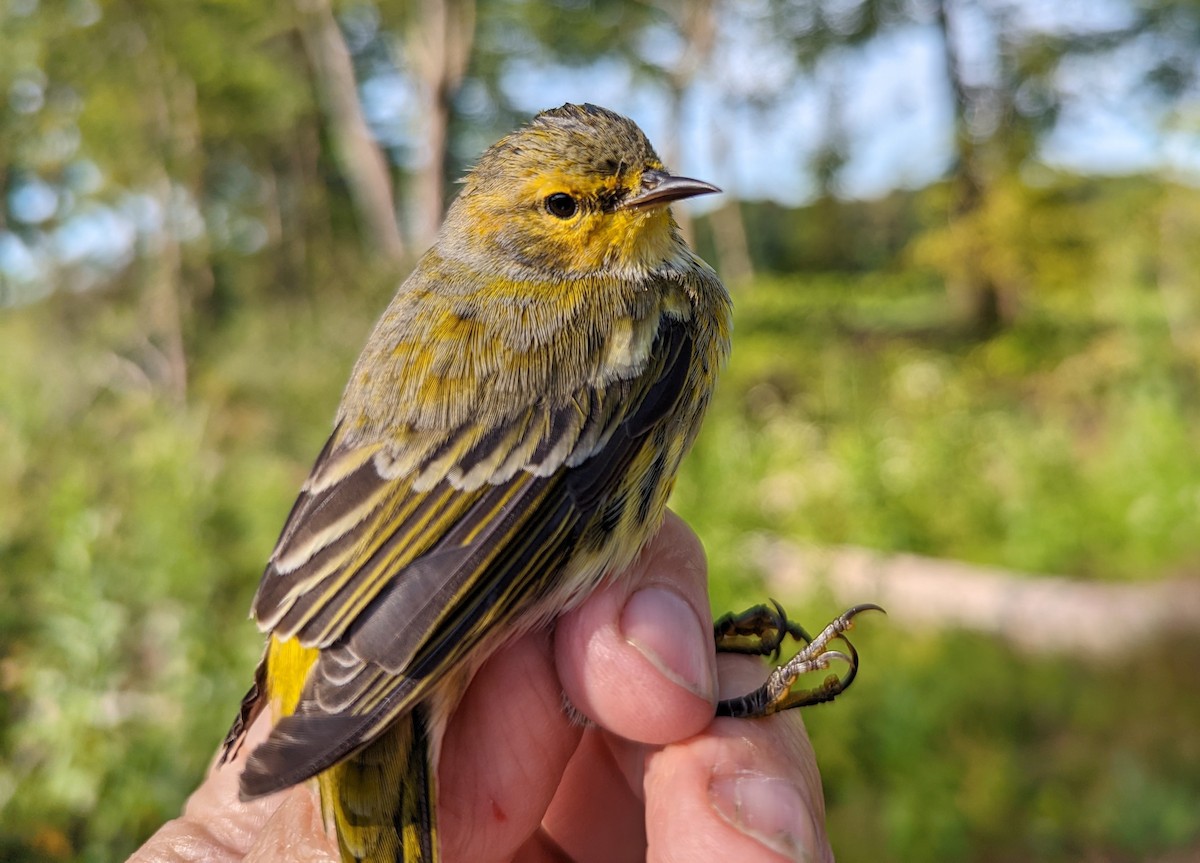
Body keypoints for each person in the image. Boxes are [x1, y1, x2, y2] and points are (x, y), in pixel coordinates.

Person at [130, 514, 833, 863]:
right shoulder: (625, 307)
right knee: (599, 656)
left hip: (335, 609)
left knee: (600, 658)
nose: (639, 216)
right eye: (564, 212)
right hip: (392, 645)